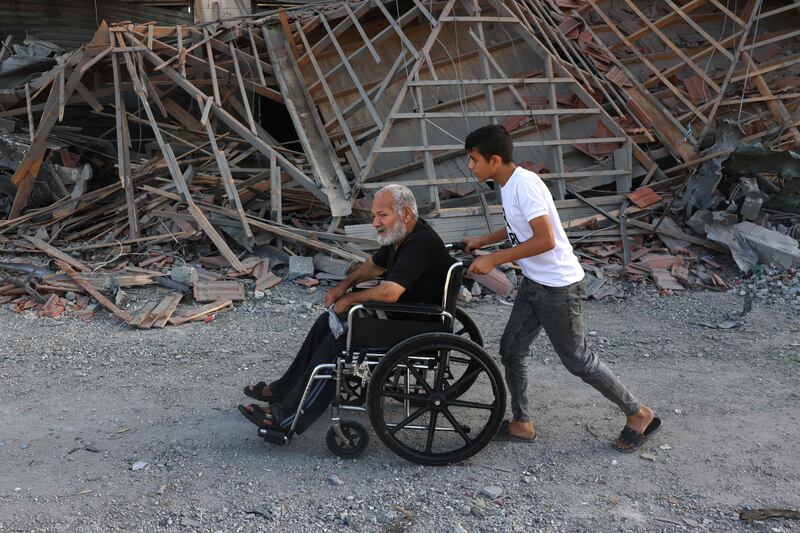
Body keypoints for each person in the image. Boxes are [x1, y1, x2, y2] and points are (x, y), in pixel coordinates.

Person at [461, 124, 661, 452]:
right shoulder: (507, 184)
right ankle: (522, 423)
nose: (470, 166)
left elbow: (544, 239)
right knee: (512, 348)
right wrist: (483, 241)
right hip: (535, 284)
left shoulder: (525, 185)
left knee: (577, 359)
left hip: (559, 287)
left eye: (473, 159)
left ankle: (639, 413)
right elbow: (519, 227)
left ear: (494, 160)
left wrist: (495, 258)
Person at [239, 184, 455, 436]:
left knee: (338, 345)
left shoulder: (420, 243)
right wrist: (343, 286)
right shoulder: (402, 235)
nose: (375, 222)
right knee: (324, 323)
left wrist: (351, 300)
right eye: (374, 215)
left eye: (382, 215)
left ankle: (287, 417)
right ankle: (283, 390)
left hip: (415, 326)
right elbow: (373, 266)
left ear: (406, 214)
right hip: (406, 318)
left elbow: (390, 292)